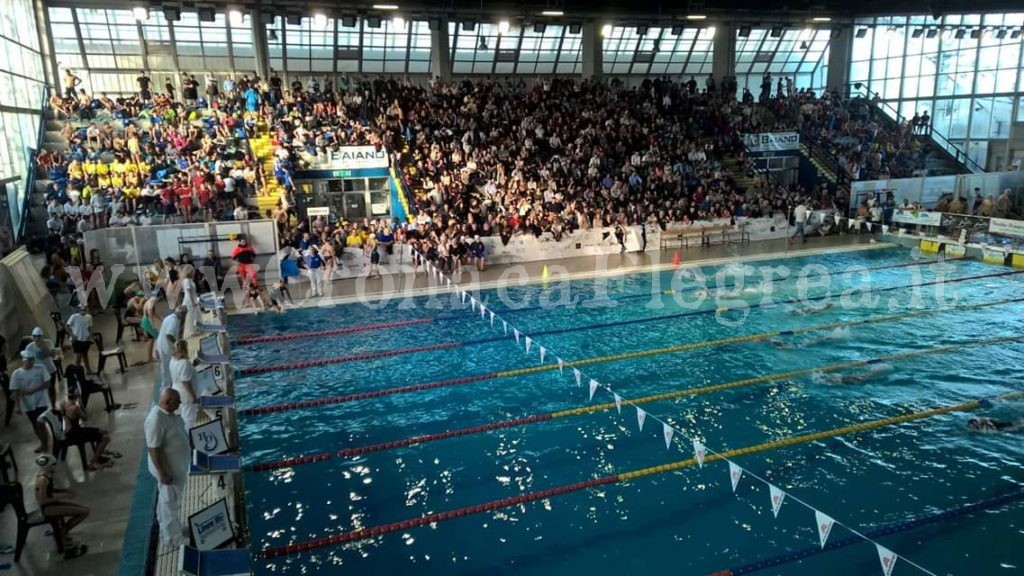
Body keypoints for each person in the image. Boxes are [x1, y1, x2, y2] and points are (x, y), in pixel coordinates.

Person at [145, 388, 190, 547]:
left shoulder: (165, 415)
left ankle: (170, 529)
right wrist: (162, 473)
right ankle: (173, 539)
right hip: (168, 471)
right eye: (177, 402)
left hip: (173, 468)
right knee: (170, 503)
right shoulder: (155, 419)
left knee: (166, 503)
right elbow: (153, 448)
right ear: (167, 401)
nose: (179, 404)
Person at [34, 454, 90, 559]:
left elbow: (49, 491)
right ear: (49, 466)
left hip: (51, 505)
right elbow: (42, 500)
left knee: (84, 510)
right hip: (47, 509)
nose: (56, 466)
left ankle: (62, 534)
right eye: (54, 464)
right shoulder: (43, 479)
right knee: (84, 512)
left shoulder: (46, 475)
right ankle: (62, 535)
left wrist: (65, 491)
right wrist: (63, 497)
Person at [60, 391, 115, 470]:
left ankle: (98, 455)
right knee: (106, 438)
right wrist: (81, 404)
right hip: (77, 433)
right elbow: (86, 418)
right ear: (77, 397)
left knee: (102, 431)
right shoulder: (75, 407)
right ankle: (94, 461)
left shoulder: (63, 404)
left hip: (69, 432)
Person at [11, 350, 52, 453]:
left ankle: (45, 446)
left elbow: (48, 384)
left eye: (32, 360)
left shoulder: (40, 368)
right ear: (23, 361)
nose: (31, 362)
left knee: (40, 423)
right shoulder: (16, 374)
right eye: (29, 360)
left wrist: (34, 390)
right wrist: (17, 406)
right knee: (35, 424)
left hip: (41, 400)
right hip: (27, 403)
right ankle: (43, 442)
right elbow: (15, 390)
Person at [169, 340, 200, 430]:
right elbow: (185, 382)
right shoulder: (184, 363)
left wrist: (193, 365)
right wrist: (194, 397)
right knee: (189, 419)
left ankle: (185, 433)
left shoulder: (173, 360)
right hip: (186, 395)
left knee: (184, 415)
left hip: (176, 390)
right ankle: (188, 437)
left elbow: (182, 372)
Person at [26, 326, 59, 406]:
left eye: (39, 336)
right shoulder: (29, 347)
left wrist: (43, 347)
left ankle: (53, 406)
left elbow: (53, 355)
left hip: (50, 370)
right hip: (38, 372)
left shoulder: (48, 342)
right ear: (32, 337)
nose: (37, 338)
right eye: (35, 336)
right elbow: (27, 361)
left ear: (42, 336)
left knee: (51, 389)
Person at [156, 306, 186, 389]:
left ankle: (167, 385)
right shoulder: (174, 321)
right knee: (166, 367)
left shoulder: (170, 317)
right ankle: (166, 388)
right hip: (166, 347)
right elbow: (169, 334)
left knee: (166, 366)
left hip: (161, 344)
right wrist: (176, 343)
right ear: (182, 314)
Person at [67, 305, 94, 373]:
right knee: (78, 356)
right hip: (77, 340)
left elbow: (90, 327)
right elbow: (67, 326)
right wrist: (72, 335)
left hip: (85, 339)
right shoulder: (74, 317)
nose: (83, 311)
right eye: (81, 309)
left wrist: (90, 336)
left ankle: (88, 370)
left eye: (85, 309)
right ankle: (76, 372)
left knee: (85, 355)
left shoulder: (89, 317)